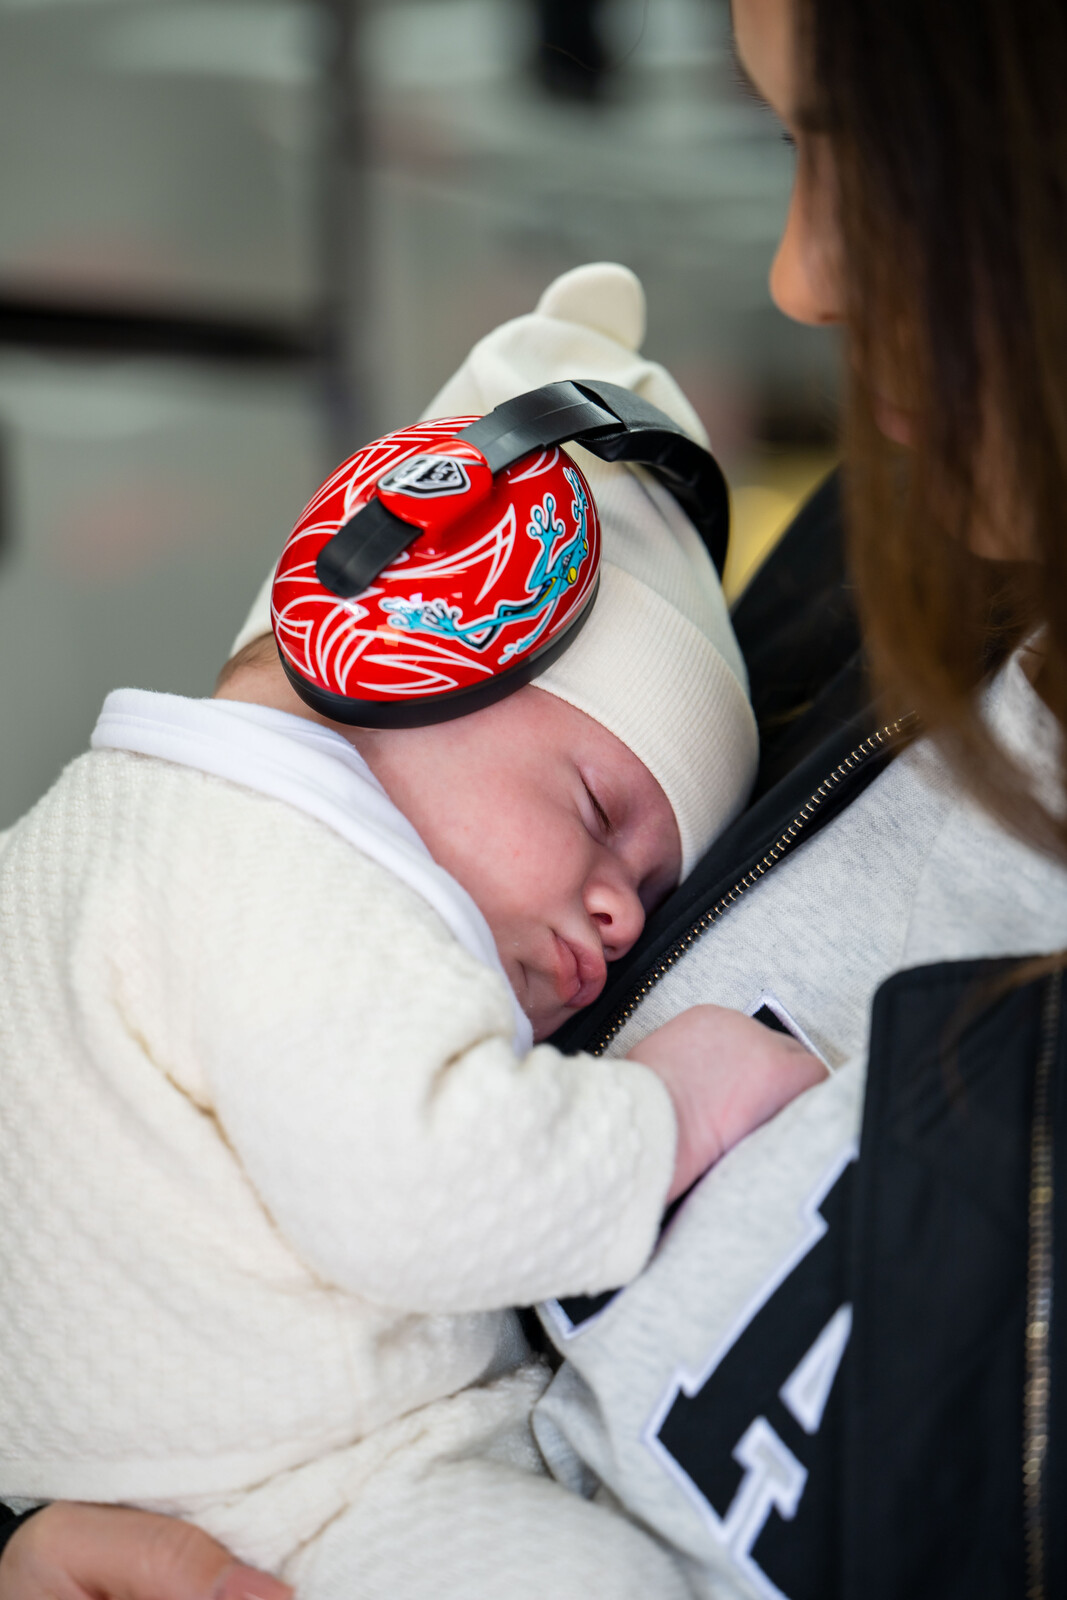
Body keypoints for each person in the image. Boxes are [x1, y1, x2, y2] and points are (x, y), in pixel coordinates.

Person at [4, 0, 1067, 1592]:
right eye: (794, 144)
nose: (800, 280)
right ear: (410, 651)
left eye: (876, 156)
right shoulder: (889, 571)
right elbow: (401, 1190)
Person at [0, 267, 824, 1599]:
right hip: (319, 1500)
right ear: (407, 642)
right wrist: (675, 1104)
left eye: (654, 889)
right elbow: (423, 1190)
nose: (623, 910)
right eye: (599, 807)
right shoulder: (286, 866)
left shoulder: (83, 846)